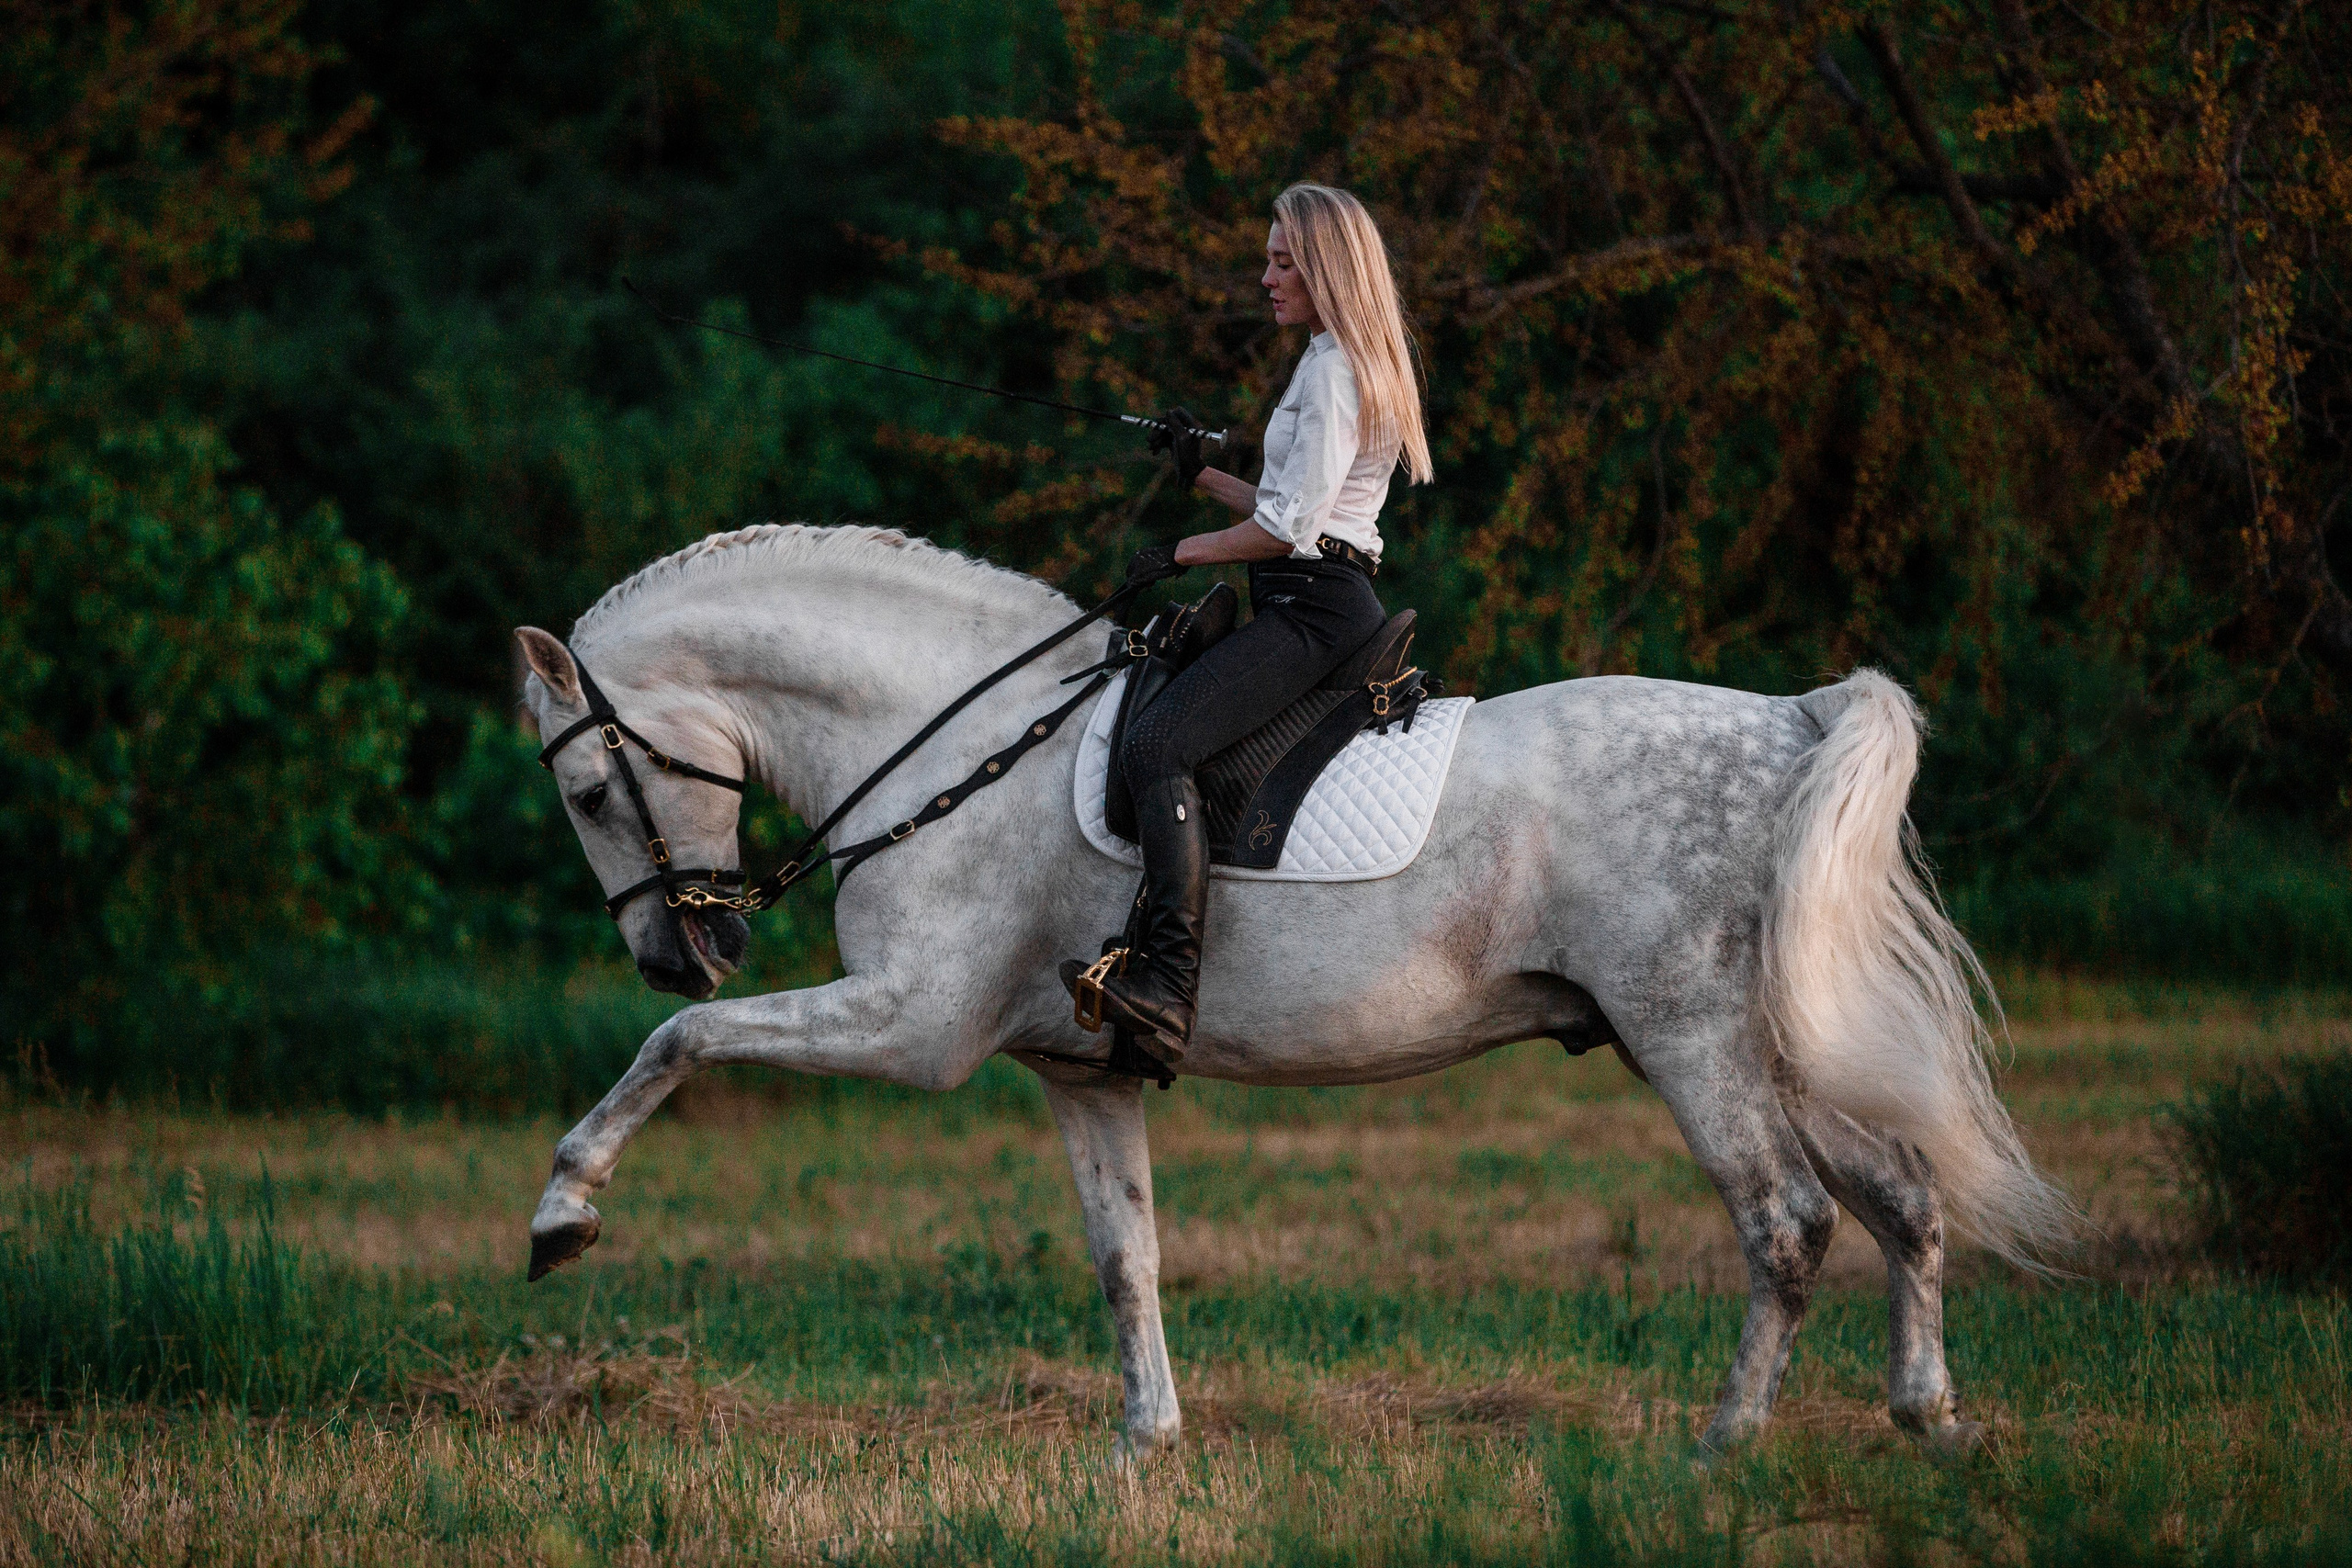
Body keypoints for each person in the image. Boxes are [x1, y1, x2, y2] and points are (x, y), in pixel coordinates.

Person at [1061, 182, 1435, 1066]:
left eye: (1281, 261)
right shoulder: (1332, 358)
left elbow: (1285, 532)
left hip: (1315, 609)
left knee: (1157, 747)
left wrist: (1182, 552)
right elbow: (1290, 504)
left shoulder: (1336, 370)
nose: (1264, 275)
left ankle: (1164, 985)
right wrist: (1199, 472)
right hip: (1312, 591)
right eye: (1267, 258)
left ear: (1324, 269)